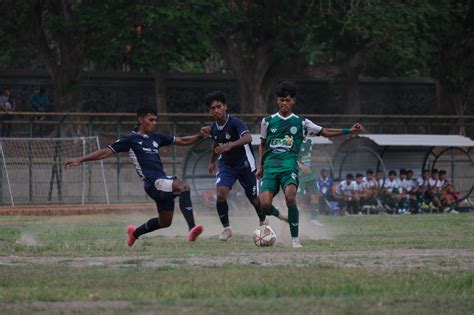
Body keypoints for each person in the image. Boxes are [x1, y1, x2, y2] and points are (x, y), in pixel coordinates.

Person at [65, 107, 206, 246]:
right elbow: (105, 152)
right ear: (140, 119)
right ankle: (192, 228)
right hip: (153, 182)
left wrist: (200, 136)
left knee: (165, 222)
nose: (154, 123)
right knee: (184, 187)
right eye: (151, 120)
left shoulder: (156, 138)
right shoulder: (130, 139)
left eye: (155, 120)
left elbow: (183, 141)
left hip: (160, 183)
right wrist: (80, 160)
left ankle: (134, 234)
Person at [256, 80, 364, 248]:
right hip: (270, 167)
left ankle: (295, 239)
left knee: (290, 197)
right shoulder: (267, 122)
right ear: (277, 101)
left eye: (287, 100)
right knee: (263, 205)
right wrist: (260, 166)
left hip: (289, 167)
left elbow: (325, 131)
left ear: (293, 101)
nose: (284, 103)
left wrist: (349, 131)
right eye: (281, 100)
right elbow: (262, 144)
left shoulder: (302, 123)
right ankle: (282, 216)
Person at [205, 91, 267, 241]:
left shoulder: (235, 122)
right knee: (220, 194)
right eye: (213, 108)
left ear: (225, 107)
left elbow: (247, 137)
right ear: (209, 111)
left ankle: (263, 222)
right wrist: (213, 161)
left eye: (219, 106)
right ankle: (227, 229)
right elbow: (217, 144)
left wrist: (230, 146)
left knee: (253, 198)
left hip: (245, 164)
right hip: (226, 165)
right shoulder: (213, 128)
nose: (216, 110)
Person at [297, 138, 322, 225]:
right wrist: (302, 167)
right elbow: (291, 157)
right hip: (299, 174)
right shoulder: (294, 141)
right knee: (297, 198)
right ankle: (295, 218)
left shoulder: (309, 141)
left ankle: (313, 220)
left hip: (310, 174)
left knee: (315, 195)